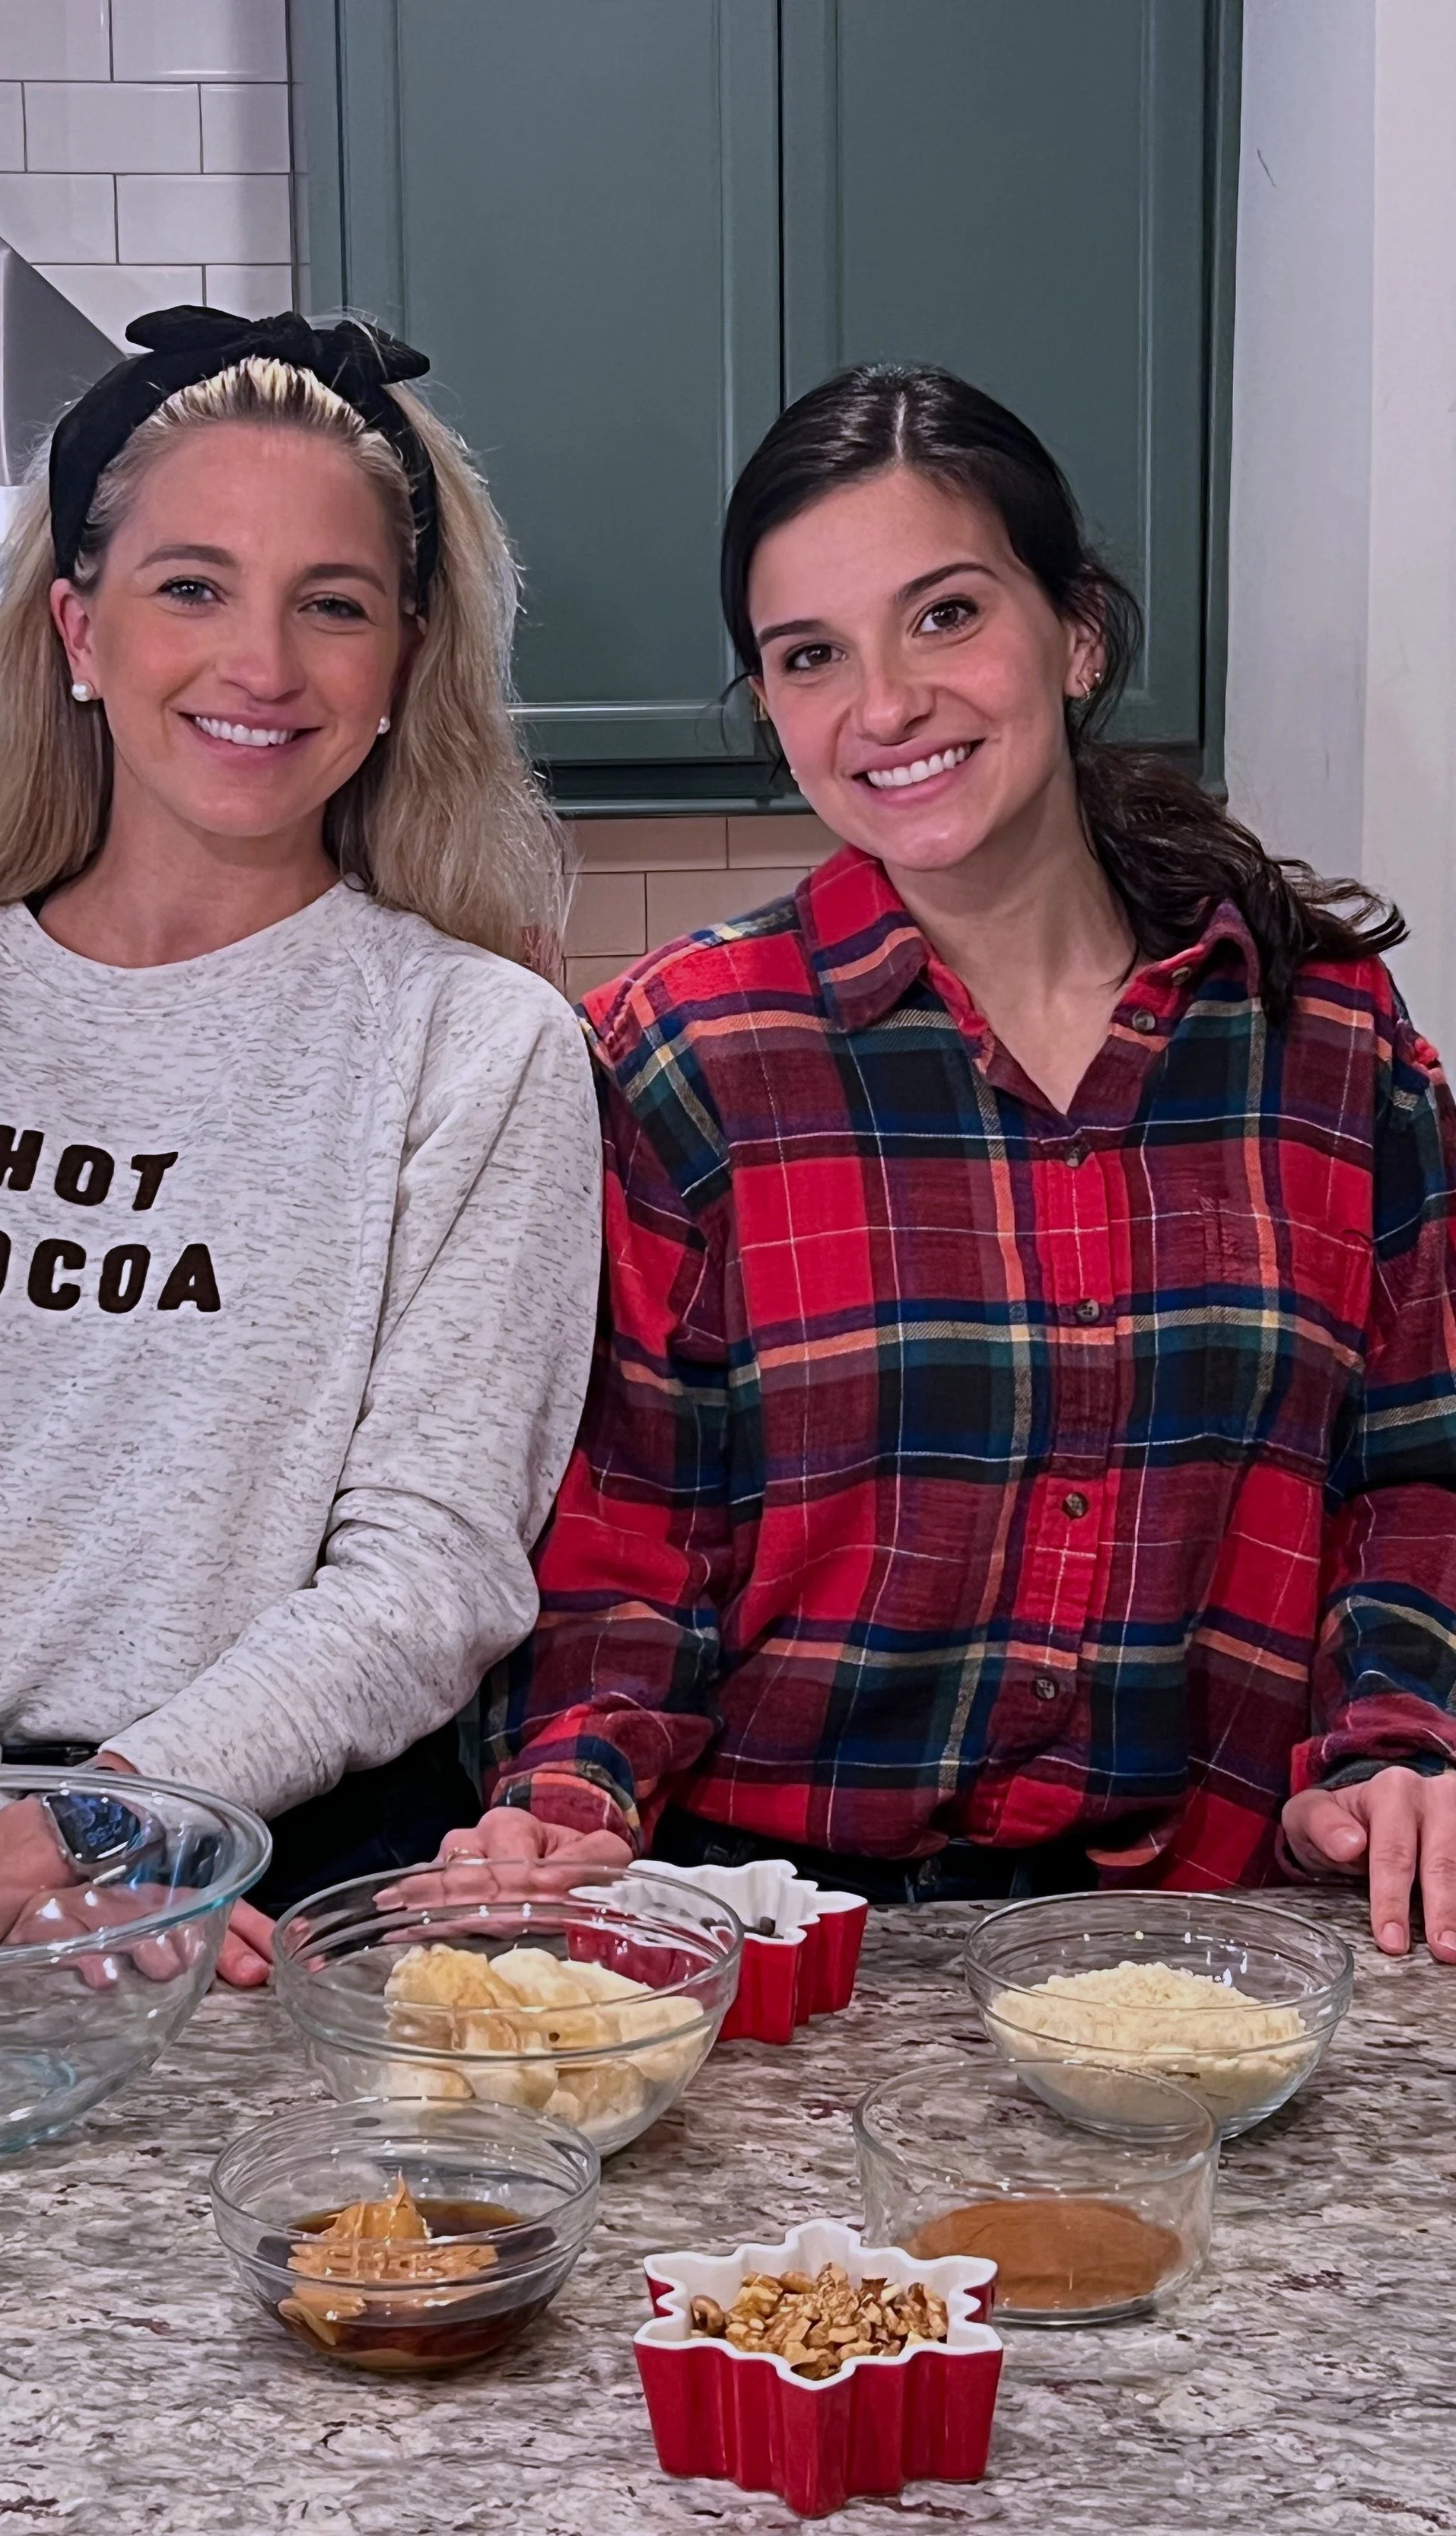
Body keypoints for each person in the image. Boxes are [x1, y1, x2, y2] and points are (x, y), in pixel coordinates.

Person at [449, 364, 1456, 1962]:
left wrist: (1399, 1743)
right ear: (769, 710)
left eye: (941, 616)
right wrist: (565, 1798)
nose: (883, 705)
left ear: (1075, 633)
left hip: (1213, 1962)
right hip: (780, 1949)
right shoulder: (680, 1059)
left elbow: (1410, 1475)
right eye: (808, 655)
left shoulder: (1323, 1042)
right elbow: (627, 1538)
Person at [0, 307, 601, 1984]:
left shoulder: (478, 1043)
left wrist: (82, 1834)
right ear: (77, 631)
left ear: (400, 663)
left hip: (281, 1887)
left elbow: (434, 1560)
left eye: (331, 604)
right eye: (191, 586)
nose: (260, 663)